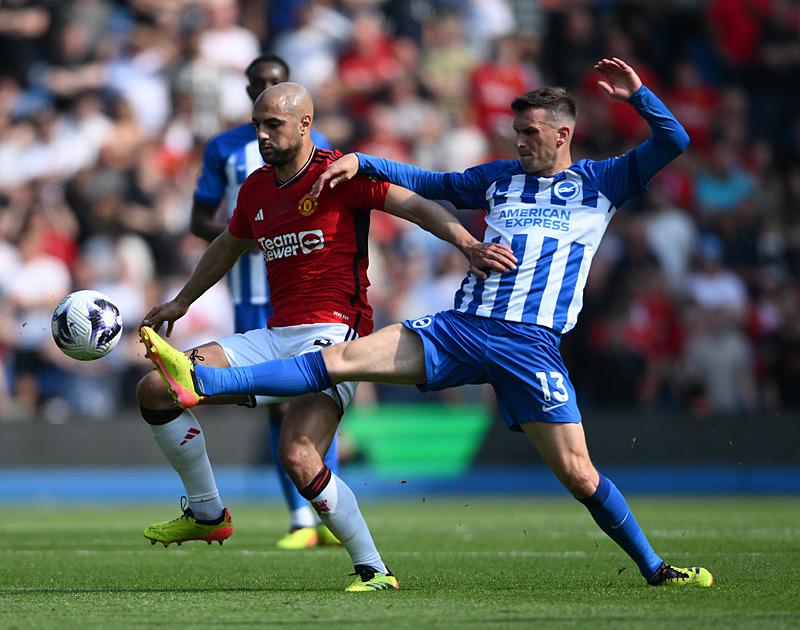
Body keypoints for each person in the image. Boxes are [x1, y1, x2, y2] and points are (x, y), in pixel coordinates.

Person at [141, 58, 714, 588]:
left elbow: (674, 140)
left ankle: (655, 568)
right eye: (516, 132)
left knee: (580, 476)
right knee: (341, 359)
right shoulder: (499, 177)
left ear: (563, 135)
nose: (519, 142)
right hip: (461, 326)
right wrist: (365, 162)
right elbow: (430, 185)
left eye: (531, 134)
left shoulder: (601, 180)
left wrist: (639, 96)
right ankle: (208, 384)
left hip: (529, 345)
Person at [136, 81, 513, 592]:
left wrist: (468, 243)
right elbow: (227, 245)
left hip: (337, 336)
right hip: (276, 333)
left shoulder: (340, 174)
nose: (263, 135)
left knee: (298, 455)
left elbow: (418, 206)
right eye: (257, 126)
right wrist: (182, 301)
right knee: (154, 389)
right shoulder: (256, 187)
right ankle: (207, 513)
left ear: (304, 124)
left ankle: (374, 570)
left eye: (274, 125)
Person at [189, 52, 339, 550]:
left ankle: (321, 511)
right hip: (252, 292)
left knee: (310, 400)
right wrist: (249, 232)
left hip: (307, 291)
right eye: (259, 84)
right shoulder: (227, 149)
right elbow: (200, 222)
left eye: (277, 83)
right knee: (280, 406)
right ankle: (303, 518)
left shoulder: (322, 153)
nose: (267, 86)